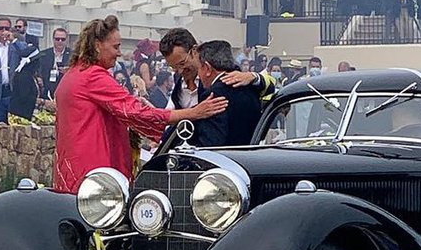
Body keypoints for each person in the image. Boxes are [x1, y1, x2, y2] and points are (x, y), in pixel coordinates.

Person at [52, 15, 227, 191]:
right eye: (116, 47)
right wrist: (194, 113)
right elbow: (136, 113)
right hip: (93, 172)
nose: (119, 53)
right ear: (98, 45)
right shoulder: (93, 77)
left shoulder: (74, 74)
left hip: (72, 169)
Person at [159, 28, 276, 113]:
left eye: (182, 63)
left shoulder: (227, 75)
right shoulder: (178, 81)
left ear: (194, 51)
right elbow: (171, 111)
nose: (179, 71)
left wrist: (254, 77)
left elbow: (270, 88)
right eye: (173, 67)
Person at [190, 40, 262, 147]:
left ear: (207, 68)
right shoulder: (251, 87)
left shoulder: (213, 95)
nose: (198, 75)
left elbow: (212, 142)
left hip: (225, 159)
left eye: (199, 69)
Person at [38, 27, 71, 100]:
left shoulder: (72, 55)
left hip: (65, 90)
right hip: (47, 90)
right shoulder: (44, 54)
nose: (60, 41)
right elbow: (39, 71)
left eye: (63, 39)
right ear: (53, 39)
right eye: (57, 39)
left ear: (66, 40)